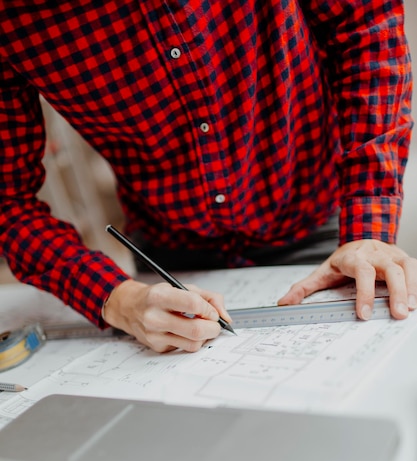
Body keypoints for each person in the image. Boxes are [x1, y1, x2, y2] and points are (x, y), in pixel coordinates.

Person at [0, 1, 415, 353]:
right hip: (169, 258)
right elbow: (7, 202)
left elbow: (366, 27)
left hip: (318, 214)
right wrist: (115, 297)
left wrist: (367, 223)